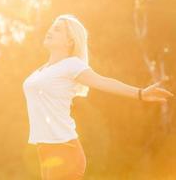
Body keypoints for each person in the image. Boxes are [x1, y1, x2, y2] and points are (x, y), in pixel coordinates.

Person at [22, 14, 174, 180]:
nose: (50, 31)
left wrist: (140, 93)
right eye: (51, 27)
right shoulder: (43, 70)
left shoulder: (72, 65)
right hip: (46, 150)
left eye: (57, 29)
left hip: (64, 150)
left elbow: (103, 82)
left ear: (70, 41)